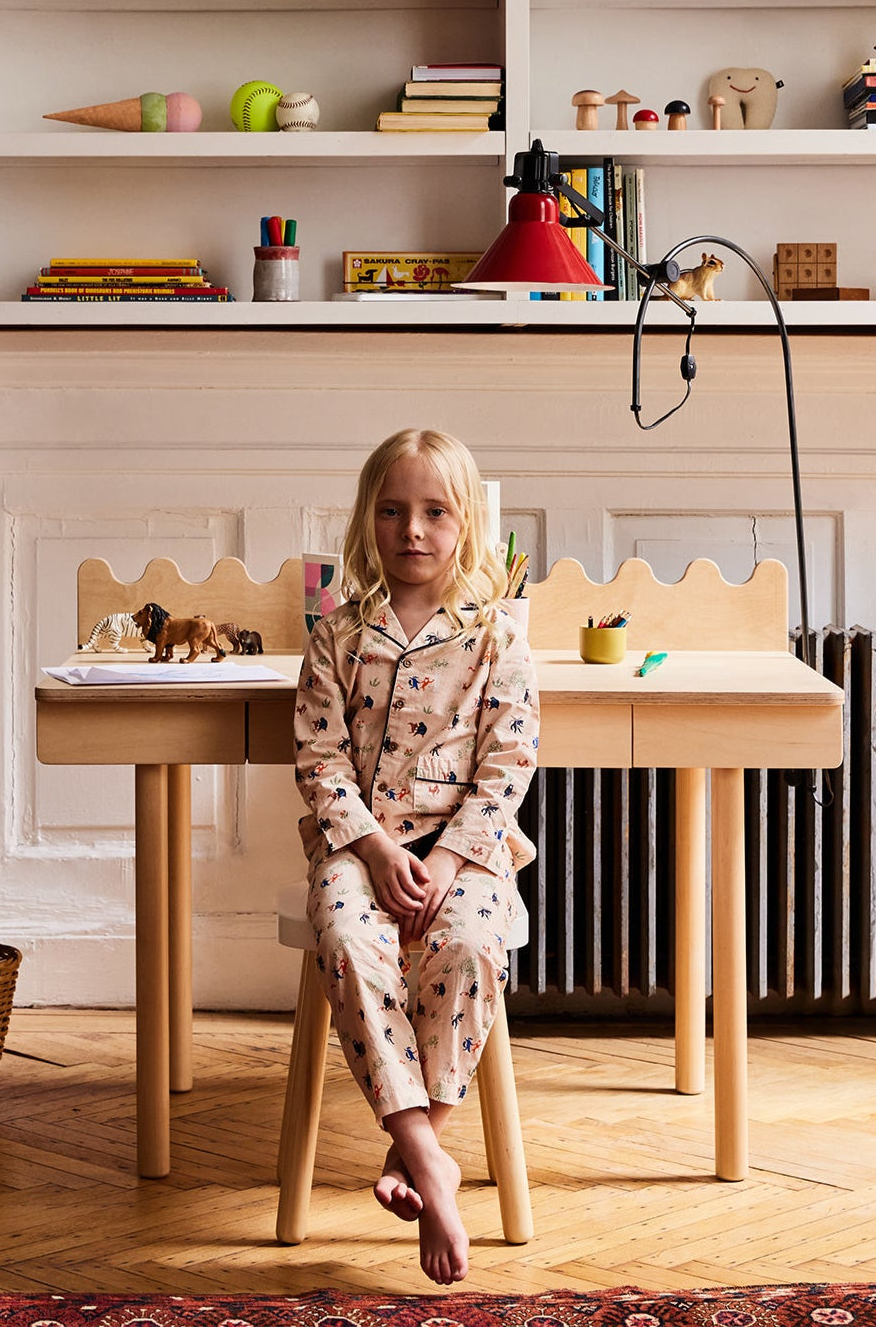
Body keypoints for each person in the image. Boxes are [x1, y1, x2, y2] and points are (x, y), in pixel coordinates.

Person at [293, 428, 539, 1286]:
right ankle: (430, 1157)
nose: (412, 530)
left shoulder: (497, 639)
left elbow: (508, 763)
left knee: (473, 942)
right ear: (368, 519)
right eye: (393, 511)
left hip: (464, 851)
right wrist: (373, 845)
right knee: (348, 941)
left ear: (464, 524)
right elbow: (320, 760)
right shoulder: (334, 638)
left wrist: (451, 860)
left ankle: (415, 1139)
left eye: (434, 512)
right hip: (358, 847)